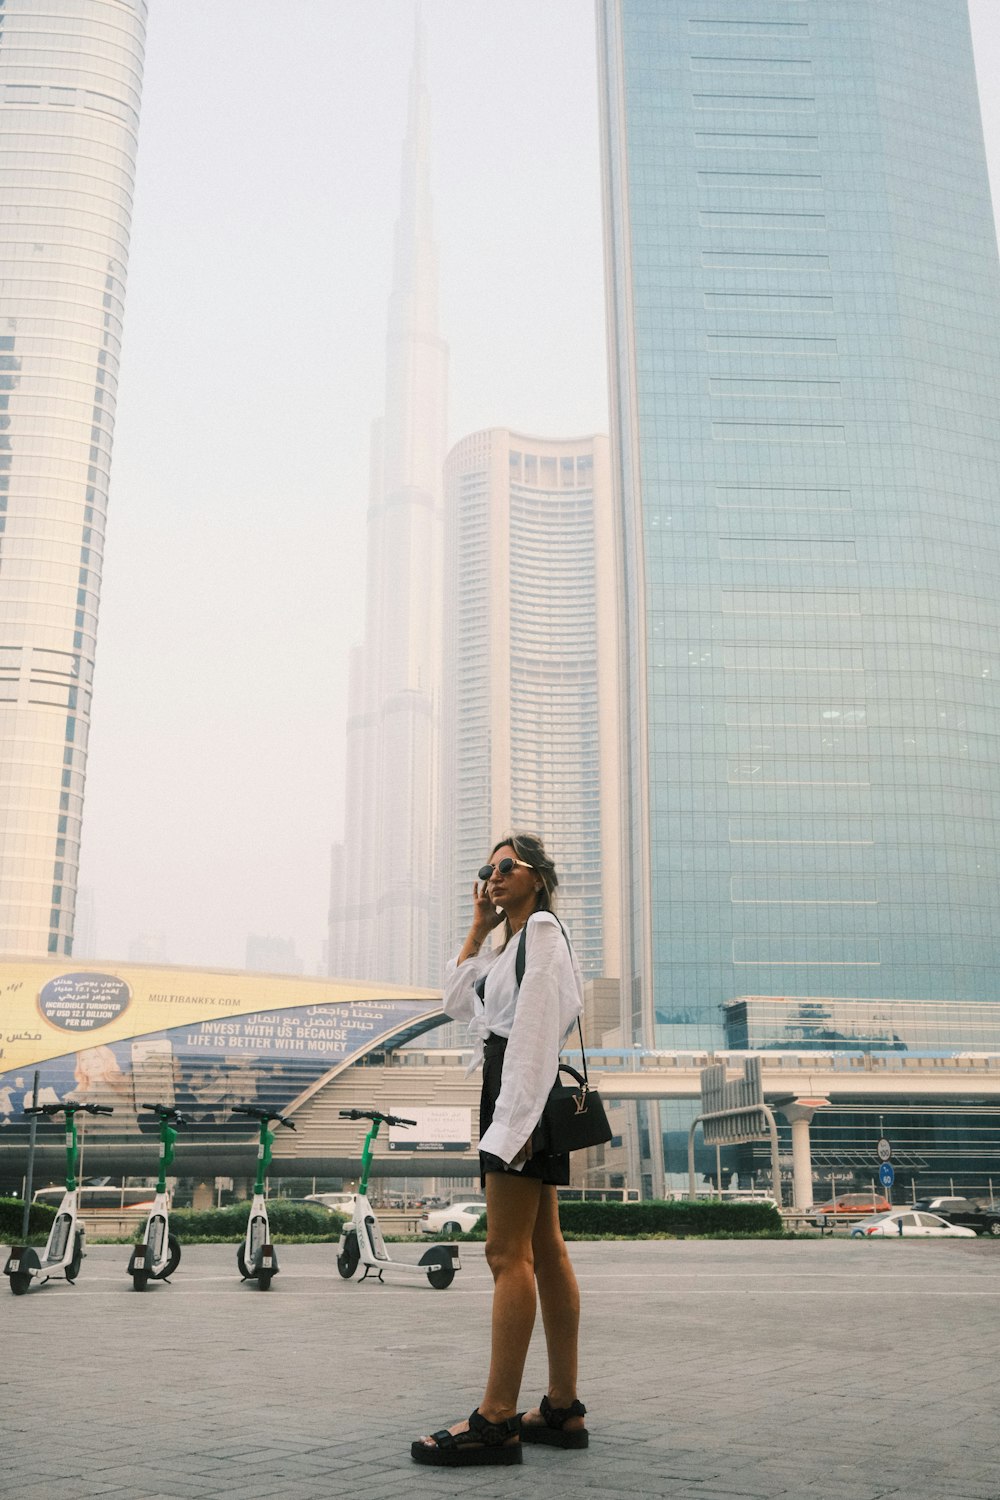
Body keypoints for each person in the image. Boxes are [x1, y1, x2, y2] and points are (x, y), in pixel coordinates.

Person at [411, 832, 590, 1467]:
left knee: (503, 1253)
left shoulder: (542, 931)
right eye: (486, 868)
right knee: (544, 1248)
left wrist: (511, 1126)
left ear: (536, 876)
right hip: (514, 1090)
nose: (492, 875)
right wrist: (479, 927)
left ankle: (495, 1419)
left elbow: (537, 1033)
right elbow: (457, 1001)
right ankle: (562, 1408)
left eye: (505, 867)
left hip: (520, 1092)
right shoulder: (511, 943)